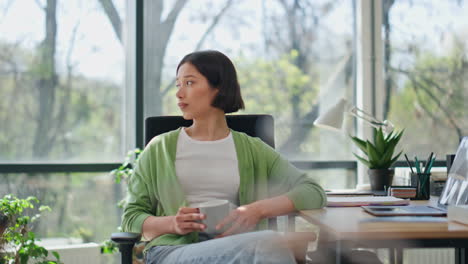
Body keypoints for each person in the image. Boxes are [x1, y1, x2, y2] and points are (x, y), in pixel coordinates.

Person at [122, 50, 327, 264]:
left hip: (239, 249)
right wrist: (173, 224)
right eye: (178, 84)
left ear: (218, 88)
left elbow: (313, 191)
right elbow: (131, 218)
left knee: (267, 245)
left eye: (189, 83)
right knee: (269, 244)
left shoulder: (253, 149)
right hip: (171, 253)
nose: (179, 93)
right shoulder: (159, 148)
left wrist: (256, 210)